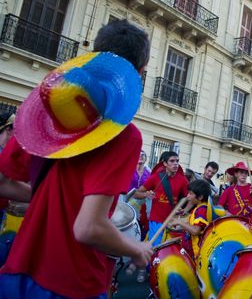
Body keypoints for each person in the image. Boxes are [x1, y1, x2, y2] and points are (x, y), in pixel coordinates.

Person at [0, 19, 153, 298]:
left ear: (95, 55)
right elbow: (88, 227)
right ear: (140, 72)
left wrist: (42, 198)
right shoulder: (124, 136)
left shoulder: (44, 122)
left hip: (15, 274)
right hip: (73, 284)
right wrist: (137, 248)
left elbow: (2, 183)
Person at [134, 151, 188, 247]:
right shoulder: (155, 178)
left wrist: (184, 209)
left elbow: (190, 197)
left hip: (172, 222)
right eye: (172, 161)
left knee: (167, 251)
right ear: (165, 164)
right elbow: (136, 193)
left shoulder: (183, 180)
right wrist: (146, 194)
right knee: (155, 248)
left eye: (177, 161)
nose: (175, 163)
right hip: (156, 221)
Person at [171, 179, 211, 259]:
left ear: (200, 197)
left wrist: (179, 222)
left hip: (195, 254)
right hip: (189, 252)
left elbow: (195, 231)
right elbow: (189, 230)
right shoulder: (198, 208)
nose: (187, 196)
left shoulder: (202, 210)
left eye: (190, 193)